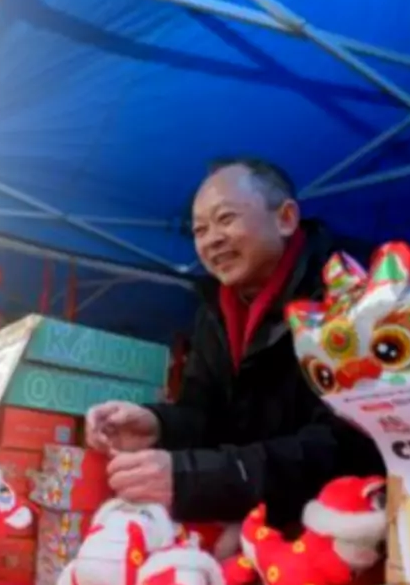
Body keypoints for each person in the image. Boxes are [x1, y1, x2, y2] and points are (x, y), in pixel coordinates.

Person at [87, 158, 384, 532]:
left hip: (346, 530)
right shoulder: (215, 309)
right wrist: (157, 424)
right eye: (199, 229)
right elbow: (206, 414)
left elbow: (345, 445)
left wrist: (195, 479)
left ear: (286, 218)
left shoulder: (353, 293)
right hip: (257, 529)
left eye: (226, 219)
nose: (211, 239)